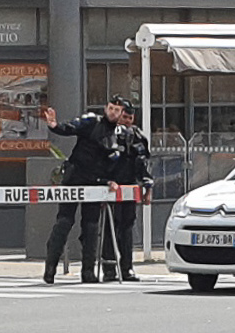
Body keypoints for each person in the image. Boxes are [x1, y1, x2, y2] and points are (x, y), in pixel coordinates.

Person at [39, 96, 127, 284]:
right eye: (111, 108)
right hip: (75, 178)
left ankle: (88, 272)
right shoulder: (91, 122)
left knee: (91, 227)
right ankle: (50, 269)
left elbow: (116, 164)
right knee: (64, 222)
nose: (113, 112)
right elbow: (69, 128)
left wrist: (111, 181)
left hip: (96, 184)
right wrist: (54, 126)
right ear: (106, 108)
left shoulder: (119, 134)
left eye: (117, 110)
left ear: (121, 114)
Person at [102, 103, 153, 282]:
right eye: (124, 117)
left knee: (127, 228)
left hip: (130, 187)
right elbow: (102, 161)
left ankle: (127, 268)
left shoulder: (138, 137)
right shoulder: (108, 135)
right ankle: (109, 268)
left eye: (130, 118)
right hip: (111, 186)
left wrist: (147, 188)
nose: (127, 121)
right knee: (110, 228)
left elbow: (144, 164)